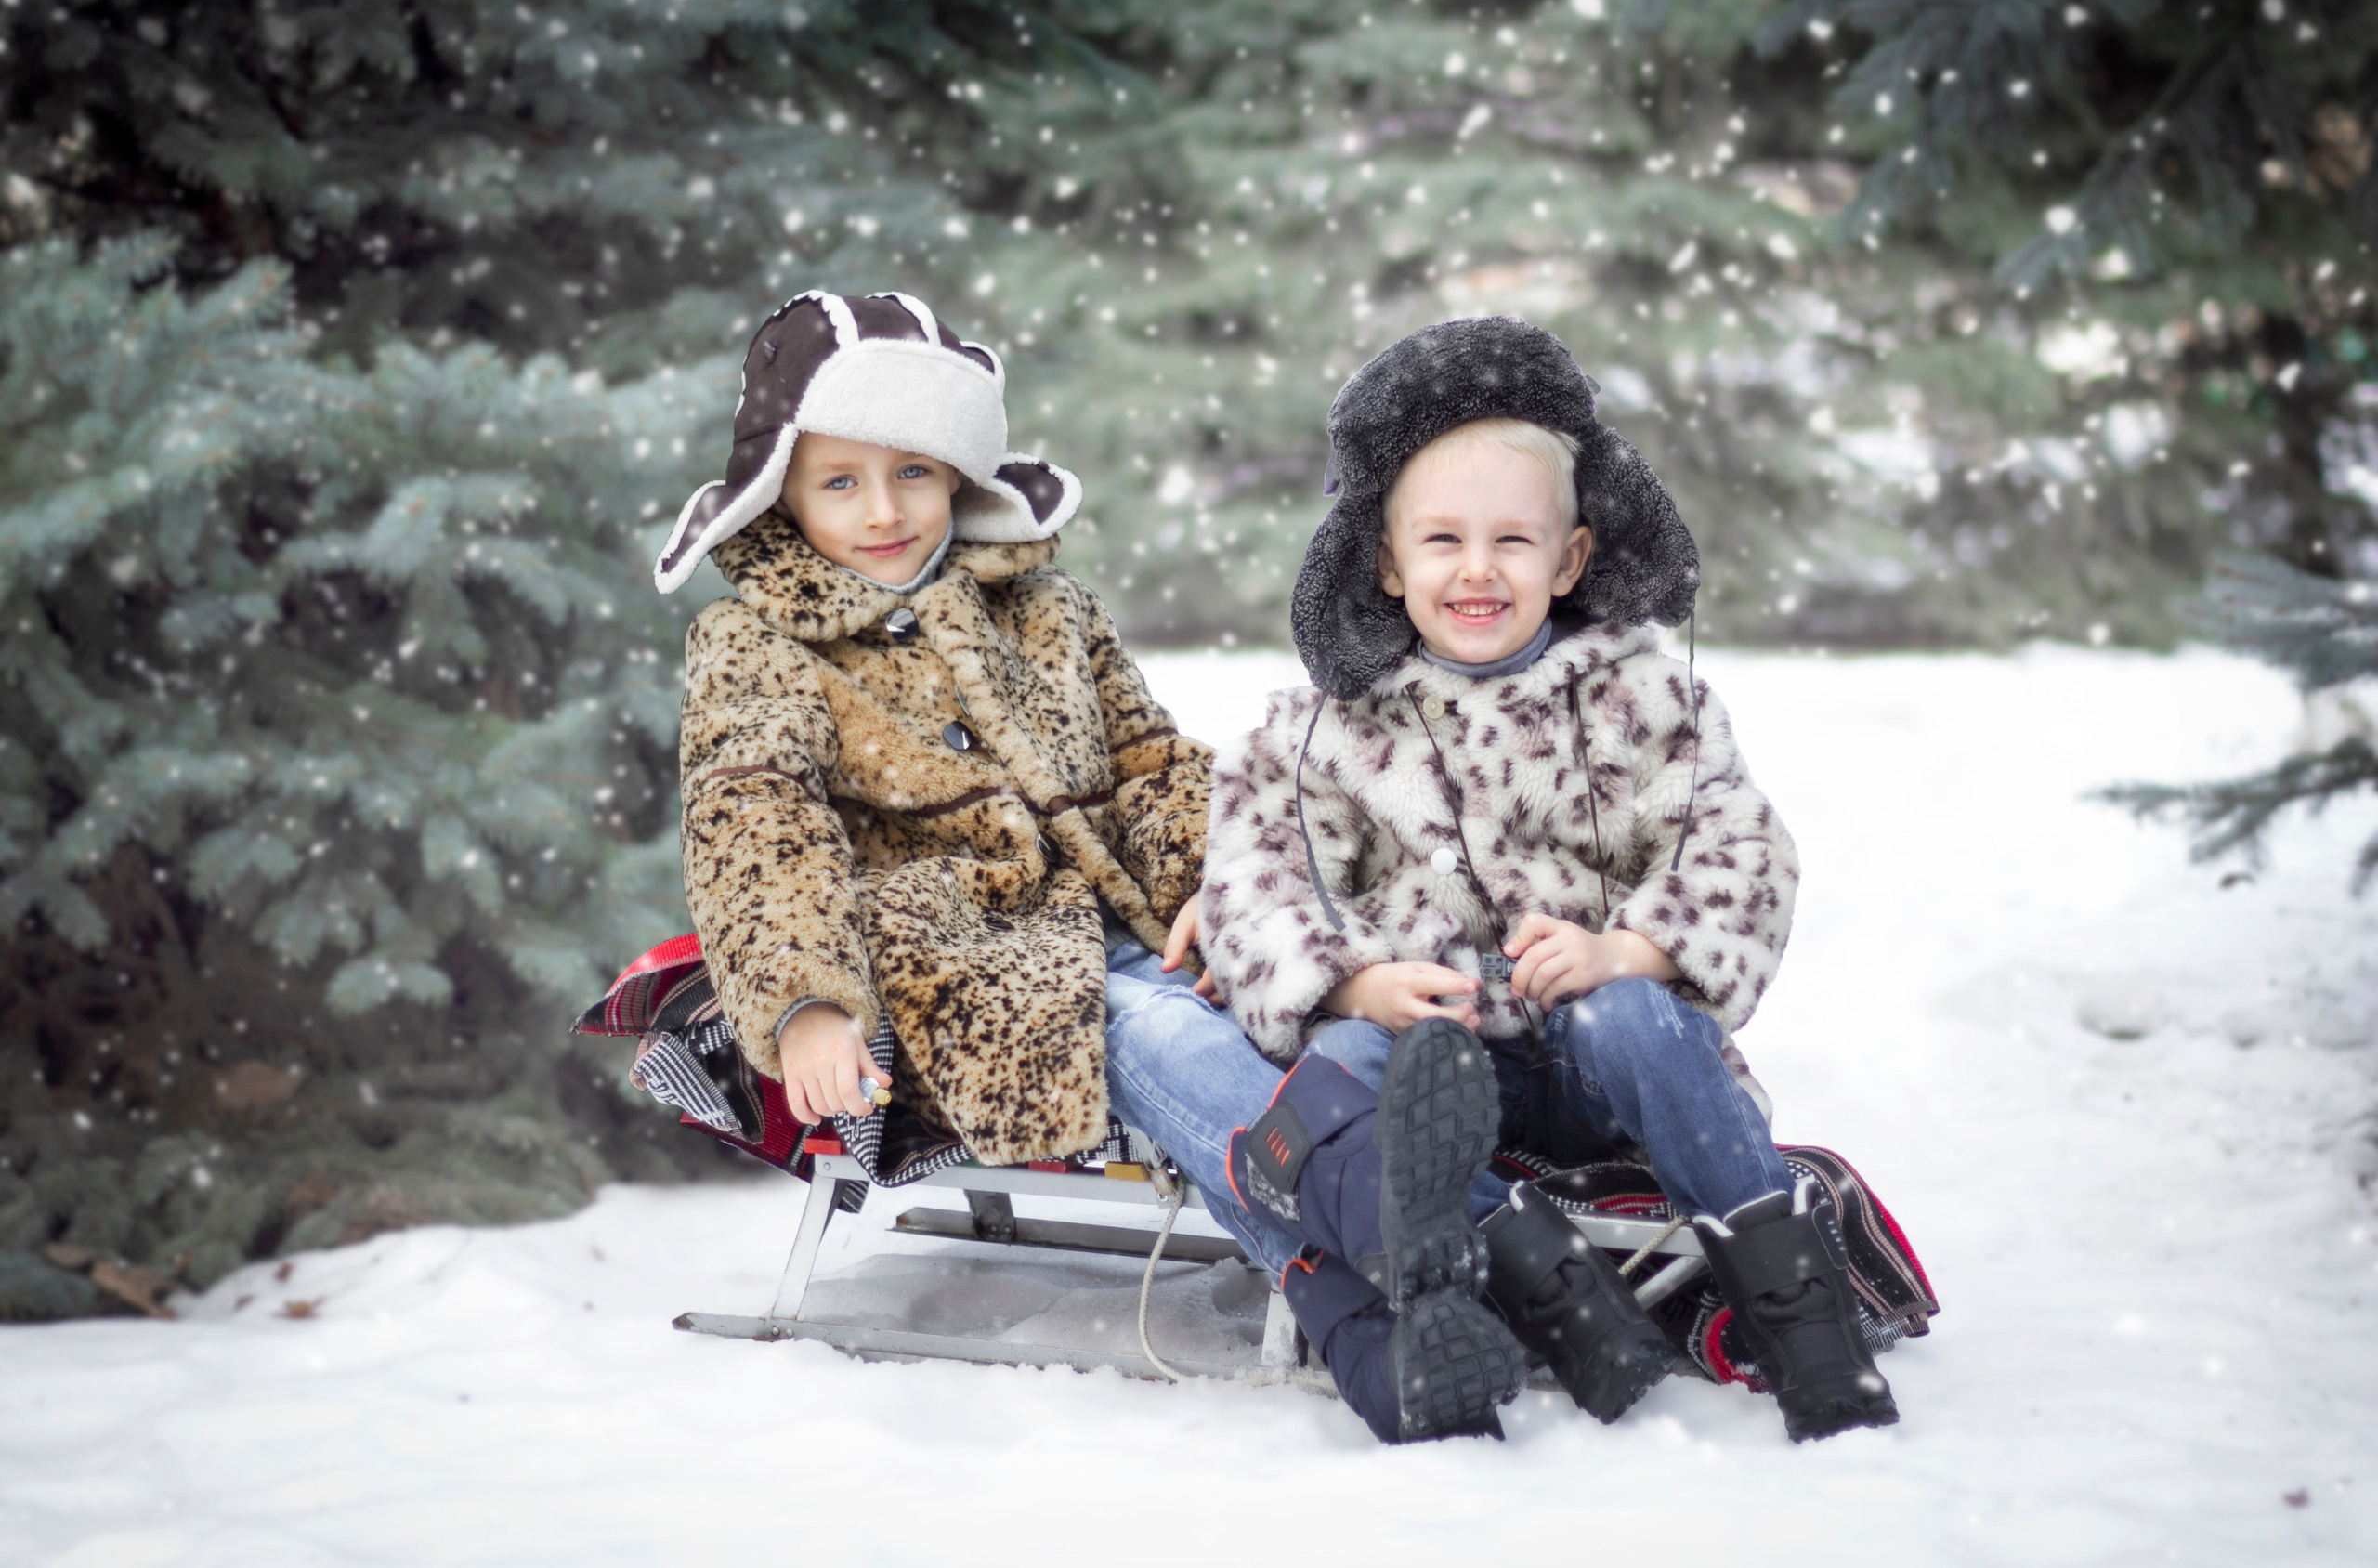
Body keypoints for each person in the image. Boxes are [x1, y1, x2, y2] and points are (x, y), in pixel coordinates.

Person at [1181, 314, 1900, 1444]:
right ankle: (1539, 1287)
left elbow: (1741, 849)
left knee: (1634, 1022)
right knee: (1341, 1068)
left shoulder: (1645, 700)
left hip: (1587, 1059)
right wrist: (1358, 982)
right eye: (1442, 542)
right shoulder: (1326, 728)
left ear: (1569, 558)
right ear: (1384, 558)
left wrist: (1633, 951)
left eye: (1514, 542)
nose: (1477, 570)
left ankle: (1800, 1314)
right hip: (1443, 1059)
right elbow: (1253, 877)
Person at [655, 288, 1248, 1184]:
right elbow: (754, 819)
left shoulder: (1048, 609)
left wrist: (1222, 875)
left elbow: (1149, 760)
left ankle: (1387, 1238)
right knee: (1159, 1033)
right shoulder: (758, 642)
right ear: (785, 495)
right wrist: (807, 1000)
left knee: (1277, 1001)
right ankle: (1381, 1208)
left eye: (913, 472)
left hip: (1121, 924)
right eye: (842, 482)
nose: (885, 513)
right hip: (950, 959)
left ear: (958, 475)